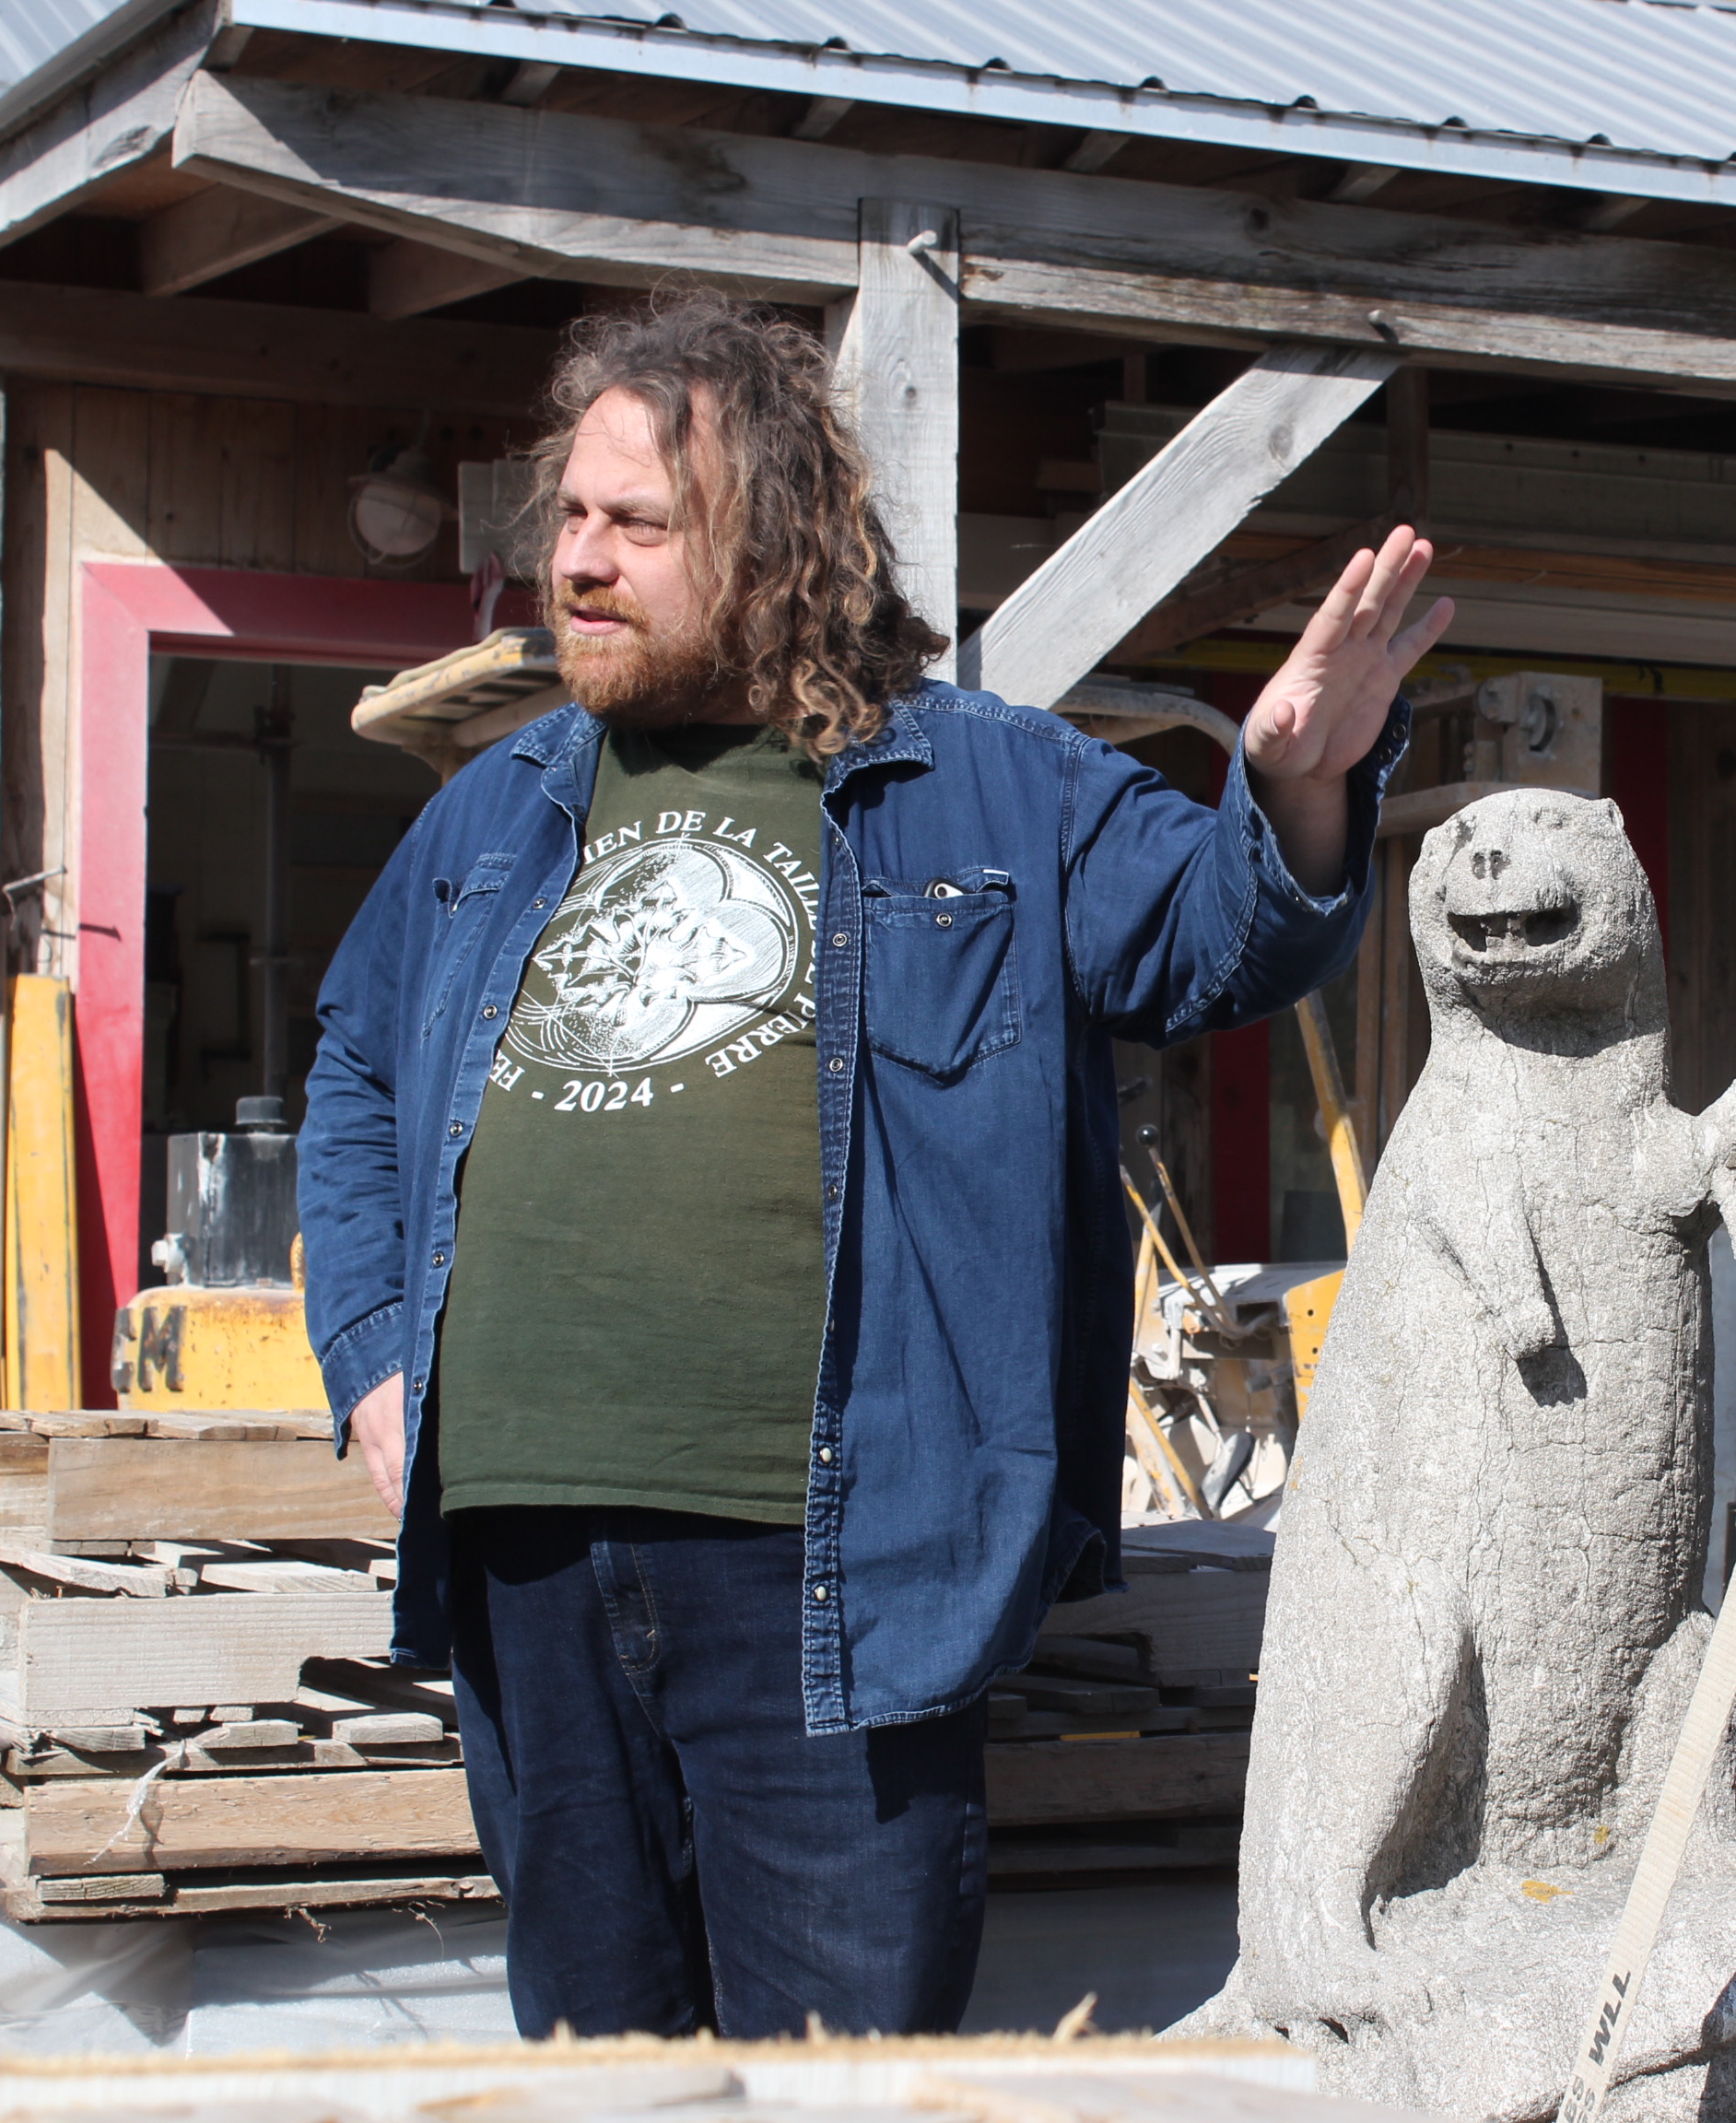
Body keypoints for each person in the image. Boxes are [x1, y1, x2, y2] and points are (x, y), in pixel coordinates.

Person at [297, 293, 1446, 2040]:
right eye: (574, 515)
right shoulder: (499, 808)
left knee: (843, 2074)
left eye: (637, 525)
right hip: (525, 1554)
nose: (578, 560)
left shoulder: (985, 785)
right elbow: (359, 1068)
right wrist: (376, 1351)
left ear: (768, 543)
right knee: (593, 2077)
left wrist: (1292, 793)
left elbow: (1212, 942)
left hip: (830, 1566)